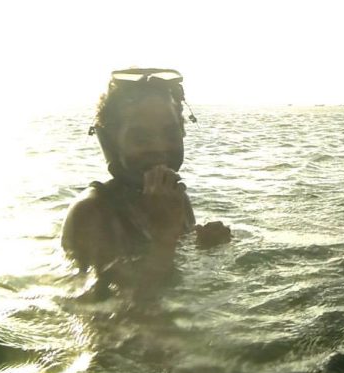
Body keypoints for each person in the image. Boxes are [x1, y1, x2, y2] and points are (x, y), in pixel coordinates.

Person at [62, 68, 230, 298]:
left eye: (170, 133)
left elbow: (176, 268)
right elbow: (113, 315)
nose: (159, 148)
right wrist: (164, 237)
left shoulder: (172, 196)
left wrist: (203, 247)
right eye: (140, 137)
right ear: (109, 143)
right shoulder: (92, 212)